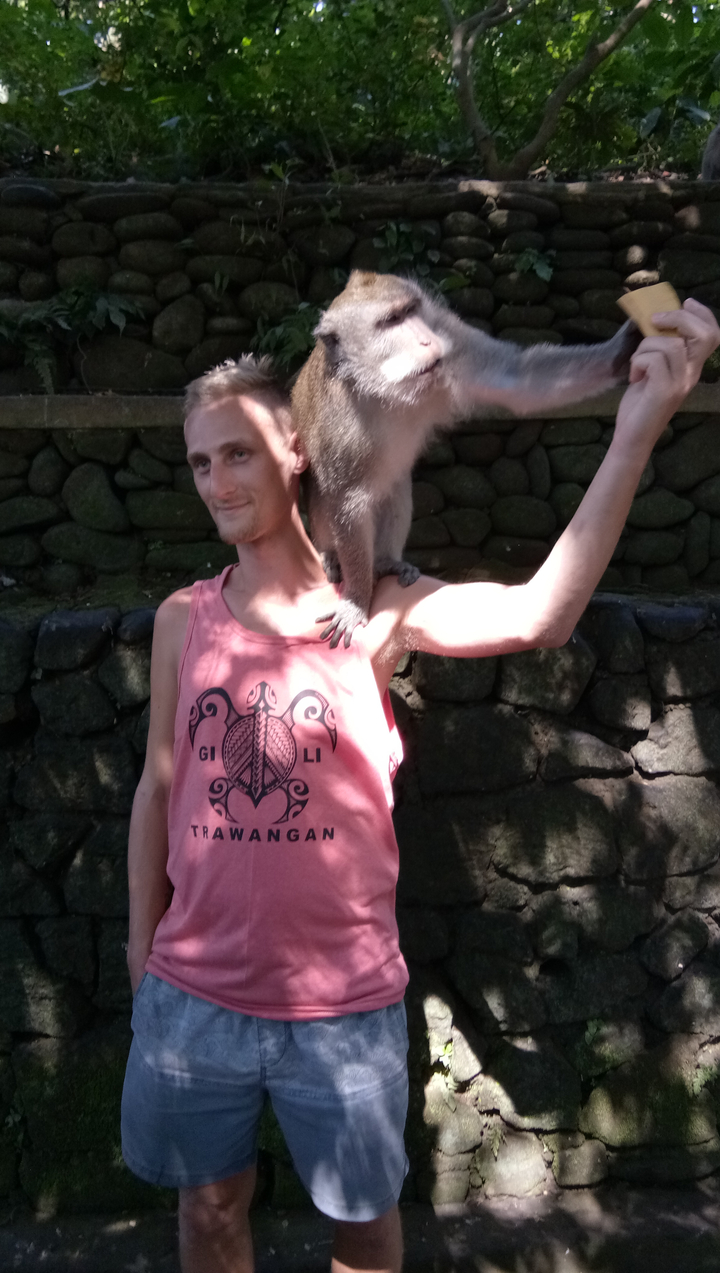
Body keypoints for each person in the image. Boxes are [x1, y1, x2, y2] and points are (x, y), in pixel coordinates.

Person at [121, 299, 719, 1273]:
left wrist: (638, 428)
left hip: (342, 1006)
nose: (217, 480)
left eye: (237, 452)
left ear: (297, 450)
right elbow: (158, 788)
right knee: (211, 1213)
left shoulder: (373, 609)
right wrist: (142, 951)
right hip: (195, 996)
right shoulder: (183, 621)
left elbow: (543, 612)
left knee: (364, 1236)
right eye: (199, 461)